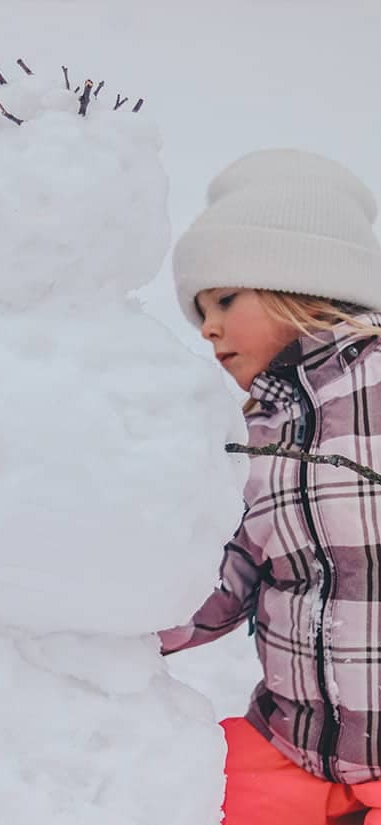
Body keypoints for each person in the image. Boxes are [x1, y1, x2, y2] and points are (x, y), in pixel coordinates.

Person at [161, 148, 381, 824]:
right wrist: (114, 616)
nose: (207, 327)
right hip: (291, 745)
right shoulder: (250, 436)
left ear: (300, 282)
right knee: (165, 788)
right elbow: (226, 579)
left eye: (224, 298)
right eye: (200, 310)